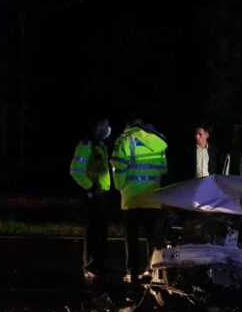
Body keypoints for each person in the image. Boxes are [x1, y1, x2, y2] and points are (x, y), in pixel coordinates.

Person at [111, 119, 169, 283]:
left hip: (131, 198)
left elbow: (119, 167)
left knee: (132, 238)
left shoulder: (125, 140)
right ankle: (152, 270)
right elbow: (163, 168)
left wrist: (120, 186)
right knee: (152, 237)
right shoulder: (158, 141)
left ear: (129, 125)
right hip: (152, 197)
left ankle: (132, 272)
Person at [69, 118, 112, 282]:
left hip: (102, 194)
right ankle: (90, 265)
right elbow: (75, 170)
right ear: (97, 127)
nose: (107, 128)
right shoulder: (86, 145)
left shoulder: (101, 146)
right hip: (93, 195)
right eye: (105, 125)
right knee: (93, 230)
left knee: (101, 231)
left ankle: (99, 263)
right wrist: (91, 188)